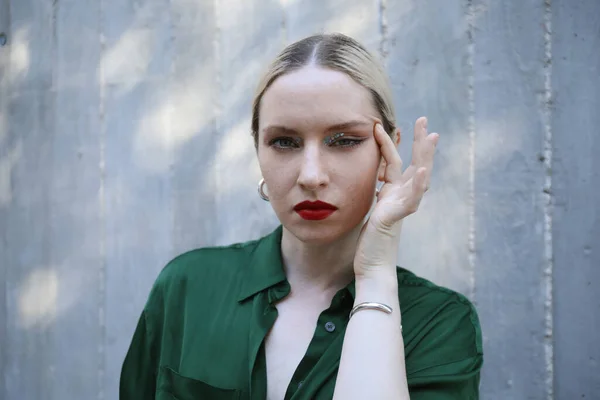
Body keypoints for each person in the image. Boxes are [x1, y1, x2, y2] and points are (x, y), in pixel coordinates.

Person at [119, 33, 483, 400]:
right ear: (258, 148)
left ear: (387, 150)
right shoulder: (187, 287)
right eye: (284, 142)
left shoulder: (441, 323)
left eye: (343, 140)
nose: (311, 176)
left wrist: (374, 276)